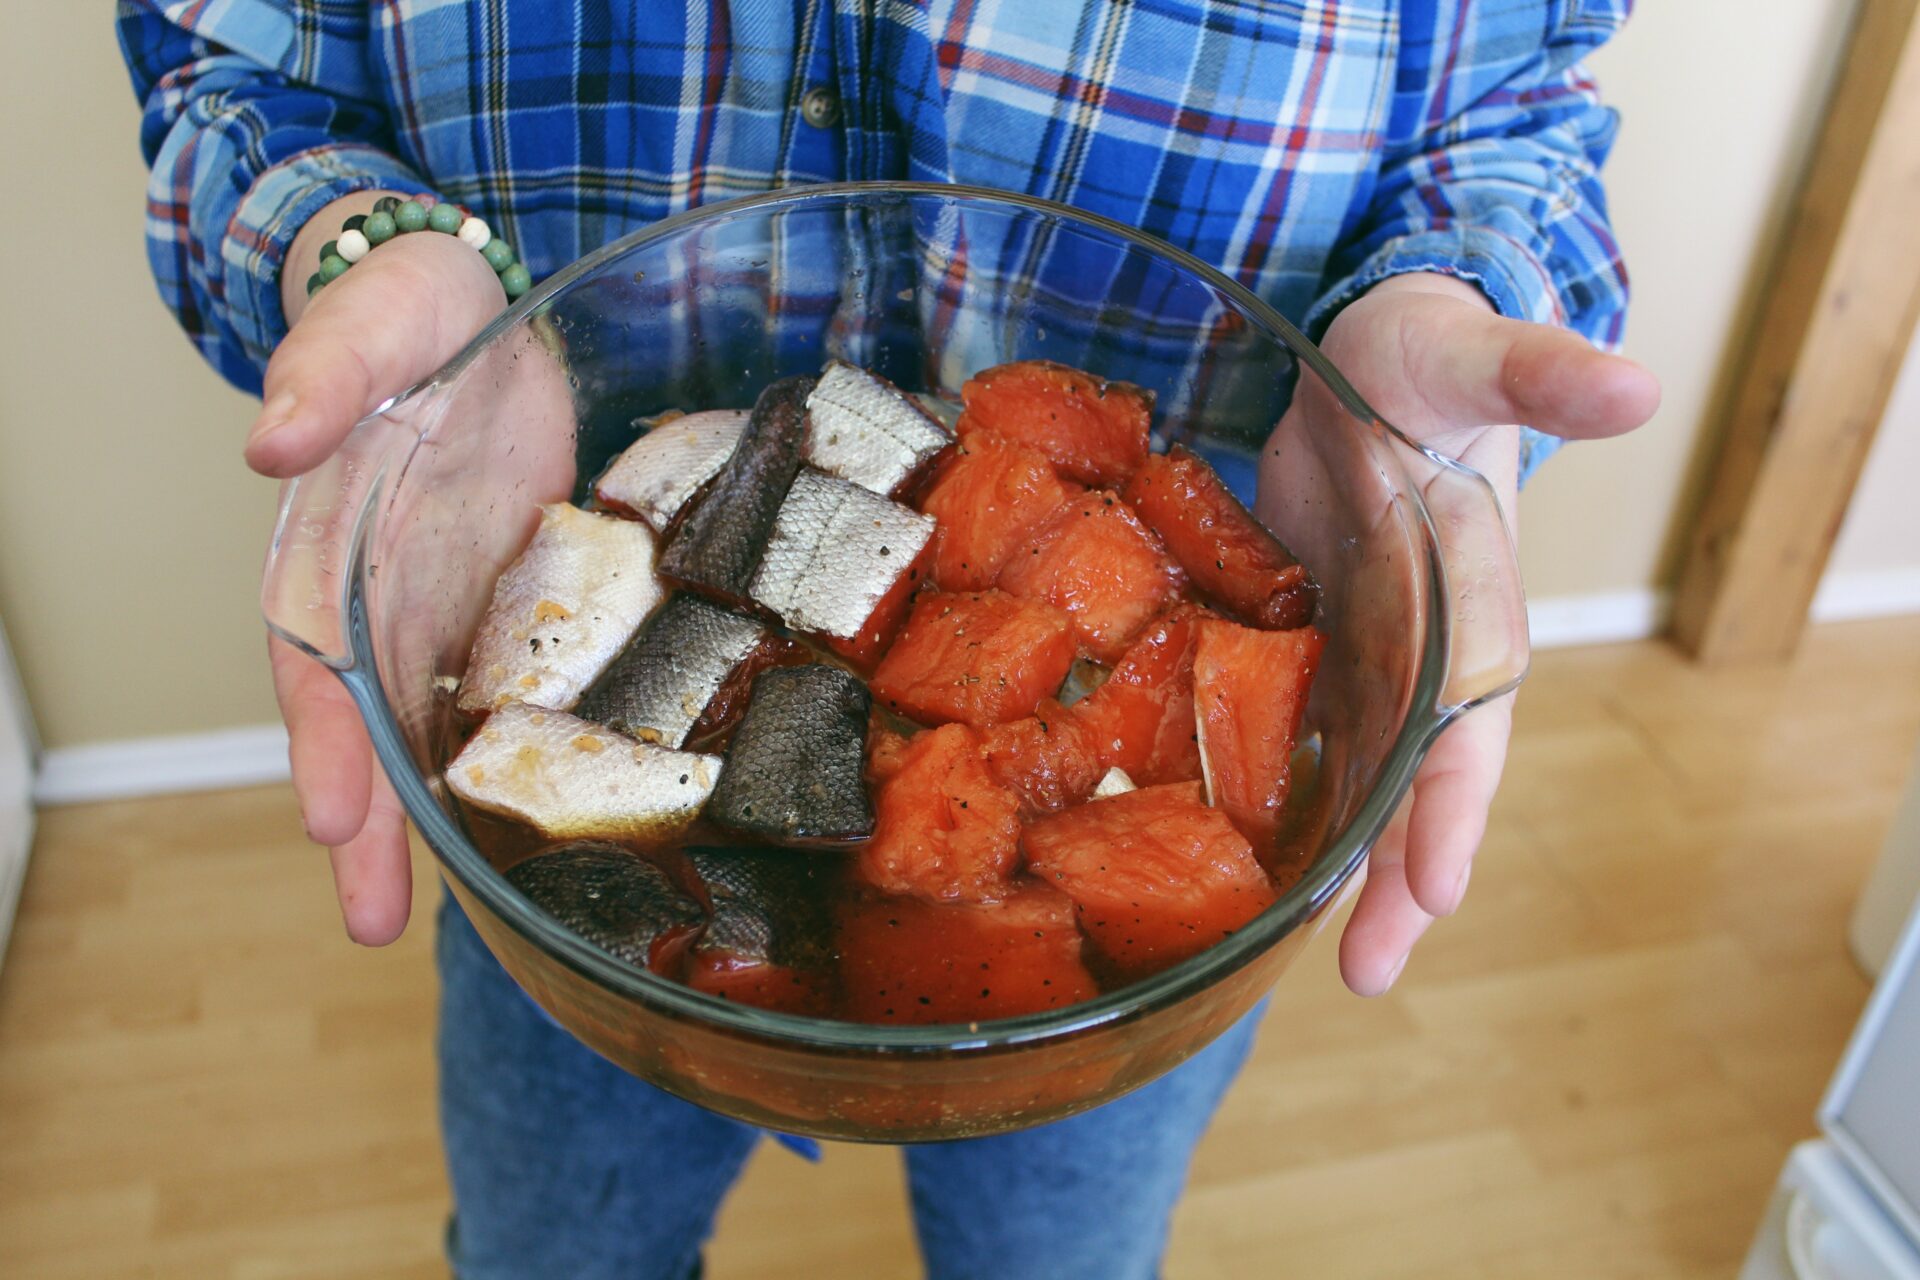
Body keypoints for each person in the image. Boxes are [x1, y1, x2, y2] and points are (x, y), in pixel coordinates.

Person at [119, 4, 1661, 1277]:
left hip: (1138, 889)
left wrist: (1442, 284)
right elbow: (229, 65)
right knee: (550, 1249)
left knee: (1063, 1254)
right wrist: (358, 235)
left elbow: (1508, 113)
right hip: (546, 803)